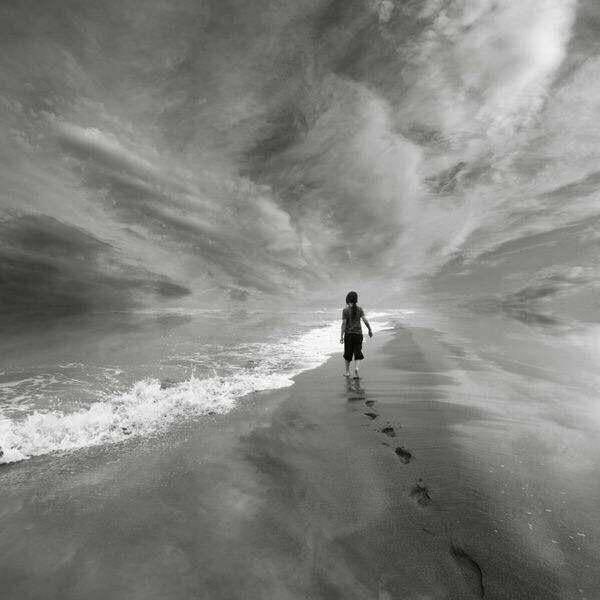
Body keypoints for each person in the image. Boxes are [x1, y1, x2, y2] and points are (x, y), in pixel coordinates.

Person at [340, 291, 372, 378]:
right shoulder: (360, 309)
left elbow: (344, 324)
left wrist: (341, 336)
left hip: (349, 335)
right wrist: (369, 329)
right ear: (356, 300)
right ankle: (356, 368)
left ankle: (347, 372)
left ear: (347, 299)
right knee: (358, 352)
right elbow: (365, 320)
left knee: (348, 354)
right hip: (358, 335)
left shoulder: (345, 310)